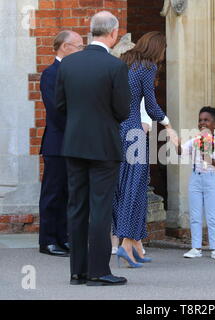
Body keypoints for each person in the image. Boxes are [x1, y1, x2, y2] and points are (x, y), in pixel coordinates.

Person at [55, 11, 131, 286]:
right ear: (113, 33)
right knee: (100, 208)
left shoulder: (68, 64)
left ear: (91, 32)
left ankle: (78, 272)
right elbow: (123, 111)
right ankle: (98, 271)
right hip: (103, 146)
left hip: (74, 144)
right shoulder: (115, 67)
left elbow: (60, 106)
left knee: (77, 207)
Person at [112, 31, 176, 267]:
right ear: (157, 48)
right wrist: (168, 125)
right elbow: (150, 103)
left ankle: (135, 243)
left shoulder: (125, 61)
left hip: (117, 131)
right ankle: (126, 245)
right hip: (134, 132)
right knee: (135, 188)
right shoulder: (147, 67)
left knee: (125, 186)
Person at [39, 30, 84, 257]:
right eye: (78, 46)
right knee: (53, 193)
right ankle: (47, 240)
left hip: (72, 142)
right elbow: (56, 111)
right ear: (65, 47)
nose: (81, 50)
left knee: (68, 193)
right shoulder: (51, 73)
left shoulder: (72, 73)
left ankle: (62, 238)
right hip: (57, 144)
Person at [110, 34, 151, 256]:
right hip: (118, 139)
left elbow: (146, 109)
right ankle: (117, 240)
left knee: (135, 190)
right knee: (117, 189)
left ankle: (133, 240)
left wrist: (145, 125)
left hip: (135, 138)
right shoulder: (114, 81)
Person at [177, 107, 215, 260]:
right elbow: (182, 151)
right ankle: (196, 247)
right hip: (195, 178)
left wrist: (211, 160)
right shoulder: (195, 141)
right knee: (195, 214)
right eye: (200, 120)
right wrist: (176, 142)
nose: (202, 123)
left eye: (206, 120)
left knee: (212, 215)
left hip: (211, 178)